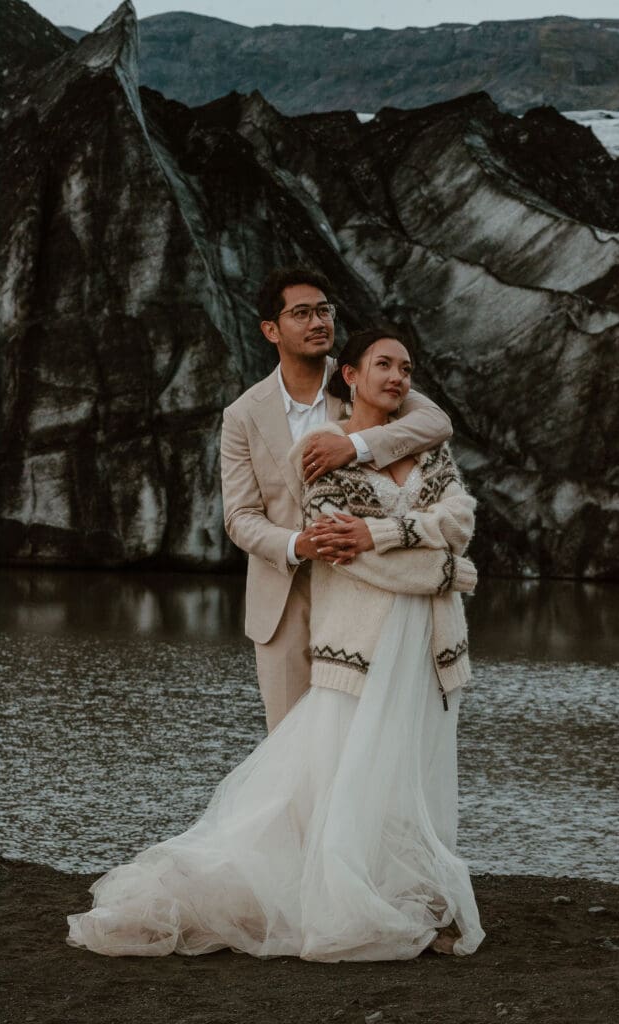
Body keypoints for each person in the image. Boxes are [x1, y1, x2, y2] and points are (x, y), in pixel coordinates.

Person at [66, 327, 485, 960]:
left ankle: (408, 885)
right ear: (351, 373)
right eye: (383, 364)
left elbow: (458, 521)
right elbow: (354, 558)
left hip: (429, 645)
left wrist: (384, 533)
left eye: (405, 367)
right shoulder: (318, 452)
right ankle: (338, 894)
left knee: (415, 769)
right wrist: (451, 570)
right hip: (361, 643)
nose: (397, 376)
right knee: (344, 771)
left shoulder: (427, 442)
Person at [220, 265, 453, 732]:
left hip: (363, 592)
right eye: (302, 313)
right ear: (271, 329)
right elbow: (240, 517)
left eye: (324, 310)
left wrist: (356, 445)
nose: (318, 322)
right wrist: (297, 544)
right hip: (283, 600)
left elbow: (437, 423)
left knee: (359, 743)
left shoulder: (363, 379)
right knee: (287, 749)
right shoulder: (243, 414)